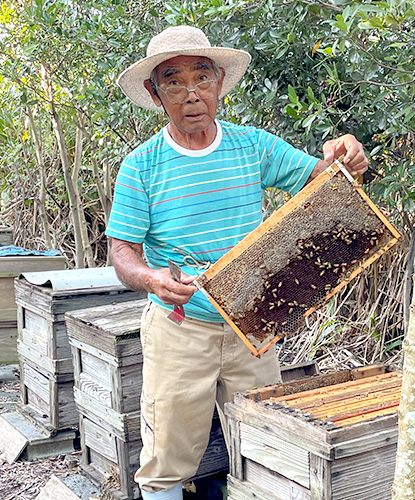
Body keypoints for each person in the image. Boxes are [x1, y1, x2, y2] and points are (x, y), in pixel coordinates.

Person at [106, 25, 368, 500]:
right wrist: (151, 278)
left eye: (202, 78)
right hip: (180, 328)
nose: (191, 94)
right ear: (154, 91)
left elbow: (324, 178)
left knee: (266, 442)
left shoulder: (253, 147)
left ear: (220, 82)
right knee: (167, 456)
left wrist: (343, 155)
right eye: (174, 81)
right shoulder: (140, 166)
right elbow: (122, 252)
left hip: (253, 324)